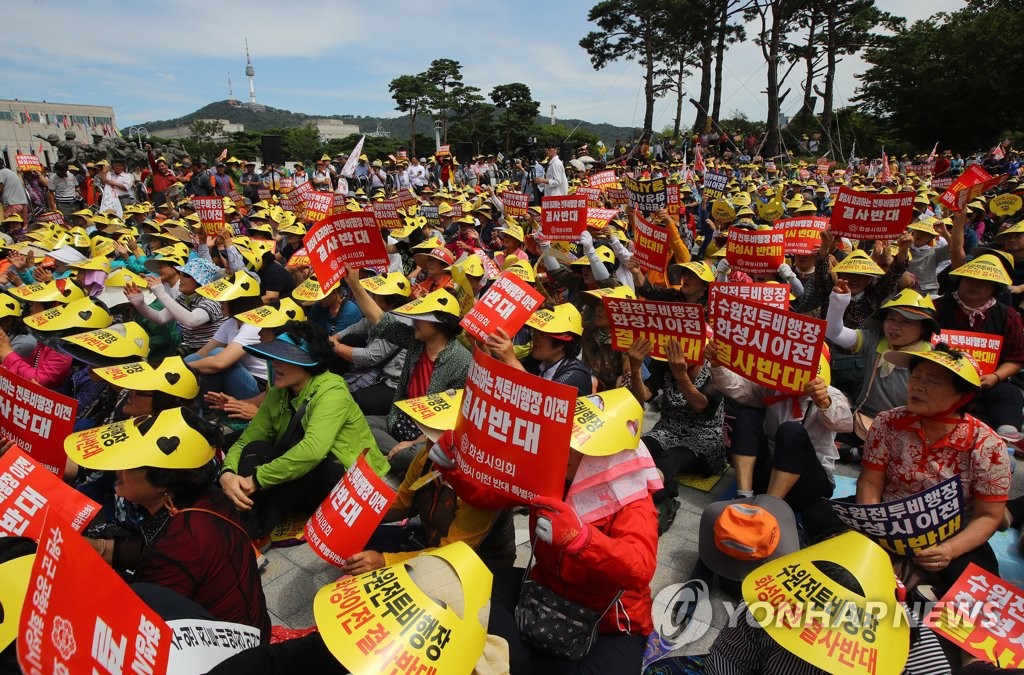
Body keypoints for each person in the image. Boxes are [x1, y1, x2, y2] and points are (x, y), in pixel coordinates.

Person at [68, 407, 272, 641]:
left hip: (228, 657)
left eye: (129, 463)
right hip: (251, 630)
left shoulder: (182, 542)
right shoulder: (201, 499)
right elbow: (149, 550)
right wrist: (98, 548)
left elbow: (143, 622)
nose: (117, 469)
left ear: (163, 481)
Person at [219, 320, 389, 540]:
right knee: (254, 448)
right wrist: (228, 473)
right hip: (303, 478)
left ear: (307, 363)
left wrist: (256, 479)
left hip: (347, 483)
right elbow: (245, 441)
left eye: (283, 358)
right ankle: (245, 522)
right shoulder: (278, 394)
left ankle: (252, 532)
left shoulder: (332, 390)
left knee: (312, 461)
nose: (274, 364)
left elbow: (313, 451)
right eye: (274, 357)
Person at [859, 345, 1011, 590]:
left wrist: (949, 550)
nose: (917, 385)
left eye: (933, 381)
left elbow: (988, 515)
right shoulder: (887, 422)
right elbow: (869, 482)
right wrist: (873, 523)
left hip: (952, 533)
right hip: (888, 518)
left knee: (973, 591)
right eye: (916, 376)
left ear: (962, 395)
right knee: (820, 517)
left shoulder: (987, 444)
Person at [343, 266, 471, 474]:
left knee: (411, 456)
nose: (414, 321)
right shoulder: (416, 342)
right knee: (357, 423)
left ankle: (384, 461)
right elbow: (380, 320)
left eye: (421, 317)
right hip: (398, 420)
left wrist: (413, 443)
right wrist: (355, 284)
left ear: (439, 325)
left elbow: (453, 423)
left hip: (428, 437)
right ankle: (386, 460)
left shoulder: (462, 361)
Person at [707, 340, 853, 513]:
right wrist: (717, 364)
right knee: (747, 417)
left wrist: (825, 403)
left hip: (808, 486)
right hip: (769, 477)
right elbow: (738, 387)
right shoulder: (773, 386)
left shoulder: (830, 394)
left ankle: (769, 508)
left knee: (791, 431)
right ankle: (744, 495)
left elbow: (846, 424)